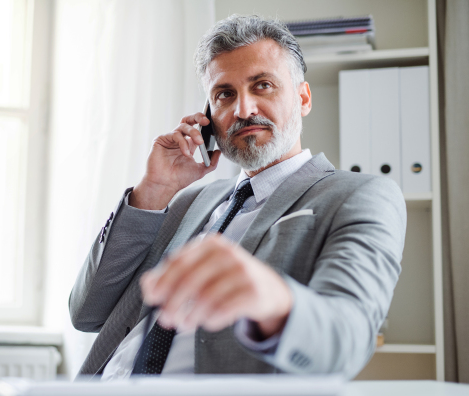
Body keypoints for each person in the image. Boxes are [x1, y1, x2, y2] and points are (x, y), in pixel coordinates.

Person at [69, 15, 406, 380]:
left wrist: (275, 300)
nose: (243, 110)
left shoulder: (360, 195)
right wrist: (153, 191)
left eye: (262, 85)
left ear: (303, 98)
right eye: (224, 94)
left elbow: (349, 340)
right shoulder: (185, 202)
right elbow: (87, 314)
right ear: (209, 117)